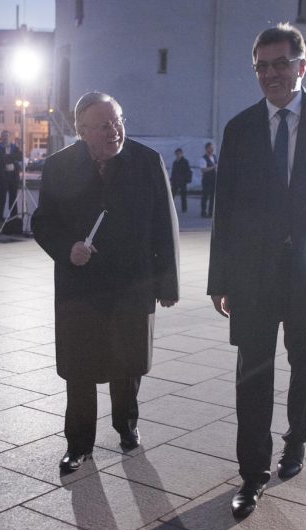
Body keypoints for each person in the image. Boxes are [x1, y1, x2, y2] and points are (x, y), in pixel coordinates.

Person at [207, 23, 306, 518]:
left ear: (302, 66)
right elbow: (226, 209)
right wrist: (220, 280)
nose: (271, 74)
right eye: (262, 66)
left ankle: (296, 439)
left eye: (281, 63)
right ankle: (251, 475)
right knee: (251, 374)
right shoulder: (239, 128)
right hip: (253, 275)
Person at [32, 91, 180, 472]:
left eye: (118, 121)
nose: (115, 131)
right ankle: (78, 444)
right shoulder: (59, 167)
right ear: (81, 131)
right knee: (79, 367)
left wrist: (167, 285)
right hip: (79, 285)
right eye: (103, 125)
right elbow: (43, 222)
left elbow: (165, 224)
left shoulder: (147, 161)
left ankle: (126, 425)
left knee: (127, 362)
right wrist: (68, 248)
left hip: (132, 283)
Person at [0, 130, 22, 219]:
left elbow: (20, 157)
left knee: (13, 197)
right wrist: (12, 157)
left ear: (10, 137)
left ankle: (13, 217)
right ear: (1, 137)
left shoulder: (15, 147)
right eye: (3, 136)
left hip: (13, 176)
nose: (5, 137)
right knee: (2, 197)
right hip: (2, 175)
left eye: (7, 136)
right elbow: (0, 158)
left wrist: (8, 157)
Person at [169, 147, 192, 213]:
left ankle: (184, 208)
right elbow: (173, 171)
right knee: (172, 194)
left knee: (183, 195)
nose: (178, 155)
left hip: (182, 180)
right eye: (177, 154)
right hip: (175, 181)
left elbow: (188, 171)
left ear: (182, 154)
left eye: (179, 154)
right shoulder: (175, 162)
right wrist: (171, 179)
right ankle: (170, 207)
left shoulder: (185, 161)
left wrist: (186, 179)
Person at [200, 142, 217, 217]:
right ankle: (203, 212)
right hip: (206, 180)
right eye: (210, 148)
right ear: (206, 149)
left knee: (213, 196)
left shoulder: (214, 157)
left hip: (213, 179)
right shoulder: (203, 159)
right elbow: (203, 170)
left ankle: (211, 212)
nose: (212, 149)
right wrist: (213, 167)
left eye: (212, 148)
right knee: (205, 196)